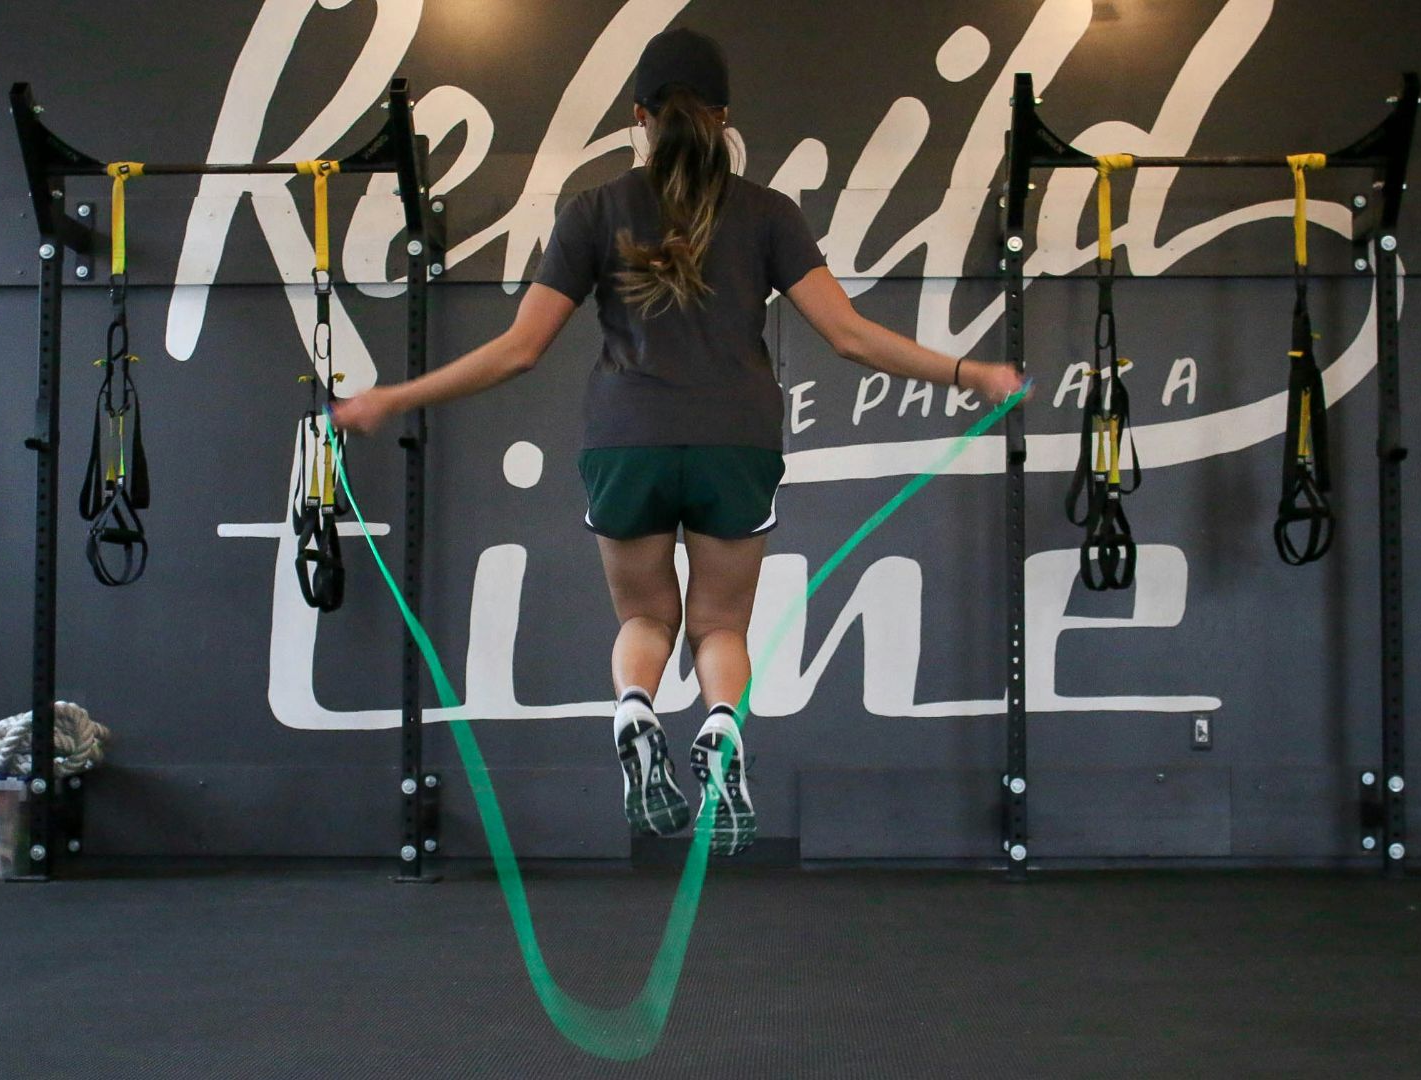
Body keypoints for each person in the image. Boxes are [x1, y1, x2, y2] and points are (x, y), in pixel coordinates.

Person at [332, 28, 1025, 855]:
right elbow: (848, 337)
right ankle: (721, 730)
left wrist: (394, 396)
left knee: (644, 617)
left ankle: (634, 712)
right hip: (737, 441)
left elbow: (518, 351)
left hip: (628, 443)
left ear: (639, 117)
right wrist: (968, 372)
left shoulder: (594, 210)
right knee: (721, 626)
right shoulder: (768, 213)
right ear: (724, 117)